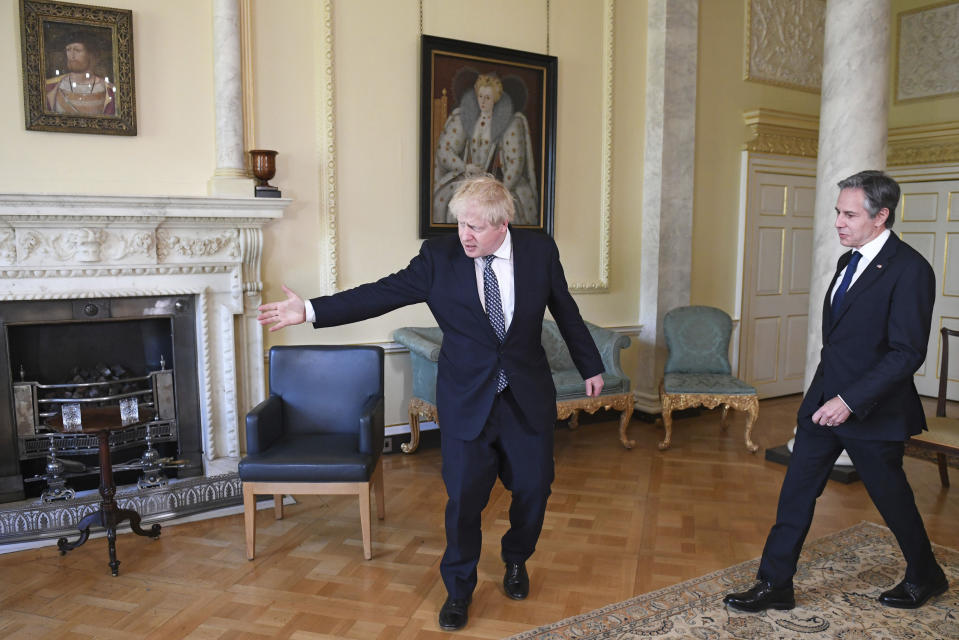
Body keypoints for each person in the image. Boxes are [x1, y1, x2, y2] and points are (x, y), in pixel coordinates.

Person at [258, 175, 604, 631]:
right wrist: (312, 310)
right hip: (466, 401)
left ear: (504, 224)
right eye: (460, 223)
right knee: (463, 502)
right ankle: (458, 591)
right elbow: (379, 294)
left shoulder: (539, 252)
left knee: (535, 490)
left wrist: (590, 365)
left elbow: (566, 309)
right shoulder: (439, 259)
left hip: (526, 397)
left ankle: (517, 559)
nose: (465, 235)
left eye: (476, 227)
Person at [724, 170, 948, 613]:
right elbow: (841, 340)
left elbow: (906, 353)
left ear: (881, 216)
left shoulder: (911, 270)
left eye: (849, 214)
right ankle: (775, 584)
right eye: (837, 213)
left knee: (892, 499)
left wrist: (849, 402)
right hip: (824, 402)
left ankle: (926, 574)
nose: (838, 223)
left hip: (872, 411)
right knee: (796, 492)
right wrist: (827, 398)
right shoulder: (849, 261)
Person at [433, 73, 539, 226]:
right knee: (444, 202)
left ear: (495, 99)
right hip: (469, 179)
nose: (482, 101)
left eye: (487, 98)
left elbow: (515, 166)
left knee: (501, 212)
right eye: (480, 96)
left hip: (498, 183)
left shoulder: (511, 124)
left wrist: (499, 192)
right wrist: (465, 167)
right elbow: (445, 151)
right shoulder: (465, 119)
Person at [45, 34, 116, 116]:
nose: (72, 55)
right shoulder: (50, 88)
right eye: (68, 50)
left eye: (77, 50)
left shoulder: (109, 90)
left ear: (92, 55)